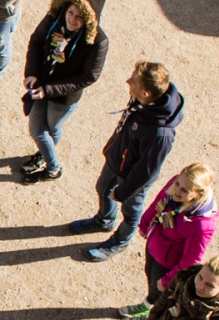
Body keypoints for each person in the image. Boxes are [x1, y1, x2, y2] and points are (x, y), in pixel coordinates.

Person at [69, 61, 184, 261]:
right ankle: (104, 220)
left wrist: (123, 192)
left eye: (133, 81)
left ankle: (121, 241)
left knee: (131, 212)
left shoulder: (160, 135)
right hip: (117, 161)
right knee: (103, 189)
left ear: (146, 93)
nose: (128, 81)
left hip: (133, 180)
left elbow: (146, 171)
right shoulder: (144, 102)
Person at [16, 0, 110, 183]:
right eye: (70, 12)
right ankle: (50, 163)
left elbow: (88, 76)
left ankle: (51, 167)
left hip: (63, 98)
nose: (72, 20)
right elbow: (36, 41)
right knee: (37, 130)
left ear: (88, 20)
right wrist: (31, 73)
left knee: (52, 129)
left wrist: (48, 90)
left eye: (79, 17)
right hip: (41, 84)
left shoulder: (99, 41)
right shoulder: (54, 17)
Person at [120, 163, 218, 320]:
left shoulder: (201, 225)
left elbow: (191, 259)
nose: (177, 191)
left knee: (163, 293)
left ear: (198, 194)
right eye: (178, 183)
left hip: (167, 263)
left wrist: (168, 280)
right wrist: (144, 224)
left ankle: (150, 317)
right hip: (155, 245)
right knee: (150, 278)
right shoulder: (175, 184)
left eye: (184, 190)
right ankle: (148, 303)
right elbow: (158, 202)